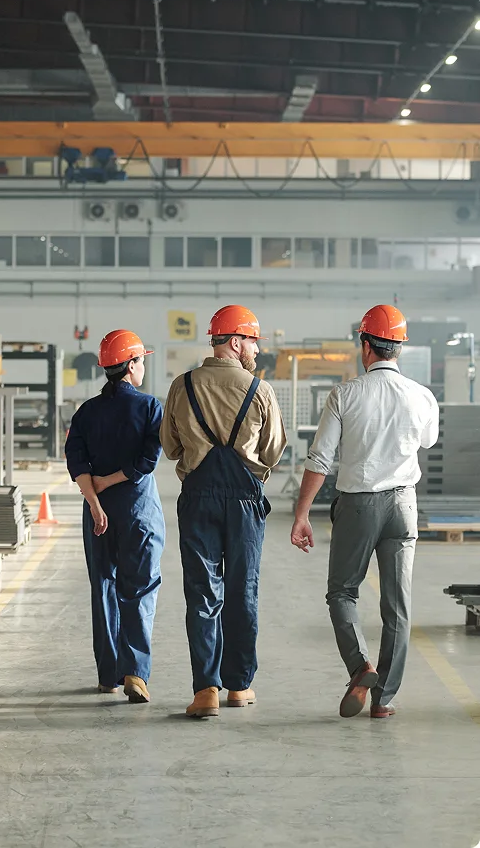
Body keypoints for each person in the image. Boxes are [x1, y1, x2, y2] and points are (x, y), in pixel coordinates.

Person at [291, 305, 439, 719]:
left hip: (358, 505)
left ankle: (361, 668)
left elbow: (319, 459)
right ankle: (384, 700)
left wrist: (302, 514)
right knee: (398, 606)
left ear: (365, 345)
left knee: (342, 592)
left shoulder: (346, 394)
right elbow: (427, 441)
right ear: (399, 350)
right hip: (404, 505)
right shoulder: (422, 396)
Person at [160, 305, 287, 718]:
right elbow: (273, 450)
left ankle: (205, 691)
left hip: (198, 498)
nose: (255, 349)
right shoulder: (259, 389)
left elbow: (171, 447)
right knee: (242, 589)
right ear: (235, 341)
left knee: (201, 592)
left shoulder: (182, 386)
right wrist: (251, 473)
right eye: (251, 340)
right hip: (245, 500)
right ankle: (239, 686)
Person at [65, 329, 165, 704]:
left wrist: (94, 499)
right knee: (139, 587)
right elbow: (148, 461)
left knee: (103, 587)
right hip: (138, 510)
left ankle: (108, 675)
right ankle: (135, 674)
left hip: (97, 514)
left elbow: (76, 460)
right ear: (132, 365)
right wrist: (110, 481)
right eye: (141, 361)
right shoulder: (150, 407)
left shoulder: (87, 411)